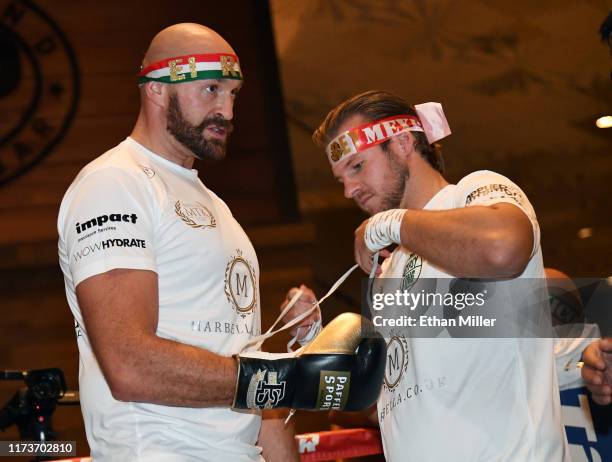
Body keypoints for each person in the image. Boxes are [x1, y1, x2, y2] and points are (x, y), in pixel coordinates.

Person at [57, 23, 302, 461]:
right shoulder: (115, 183)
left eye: (233, 94)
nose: (227, 111)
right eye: (211, 89)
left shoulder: (217, 207)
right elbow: (129, 364)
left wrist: (279, 380)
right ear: (155, 90)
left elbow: (253, 368)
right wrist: (287, 379)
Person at [285, 90, 571, 461]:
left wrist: (390, 223)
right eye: (341, 177)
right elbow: (385, 401)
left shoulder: (473, 193)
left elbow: (504, 248)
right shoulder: (388, 271)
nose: (348, 189)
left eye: (357, 167)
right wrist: (316, 340)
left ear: (403, 142)